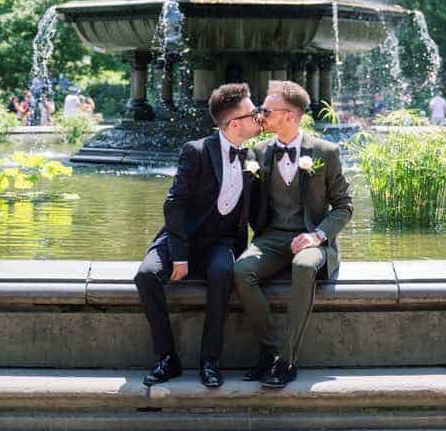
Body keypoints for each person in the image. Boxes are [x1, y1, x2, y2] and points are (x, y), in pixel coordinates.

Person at [134, 82, 260, 389]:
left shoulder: (256, 156)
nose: (258, 117)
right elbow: (174, 205)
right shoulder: (197, 151)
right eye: (253, 113)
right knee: (146, 276)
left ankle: (209, 360)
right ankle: (167, 358)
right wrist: (178, 254)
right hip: (183, 238)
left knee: (222, 272)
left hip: (220, 242)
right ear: (234, 123)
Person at [234, 80, 353, 389]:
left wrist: (318, 235)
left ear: (288, 115)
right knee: (242, 270)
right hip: (272, 238)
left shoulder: (326, 152)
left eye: (266, 110)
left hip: (311, 237)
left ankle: (287, 360)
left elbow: (344, 206)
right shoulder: (258, 151)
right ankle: (272, 350)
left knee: (303, 267)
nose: (261, 115)